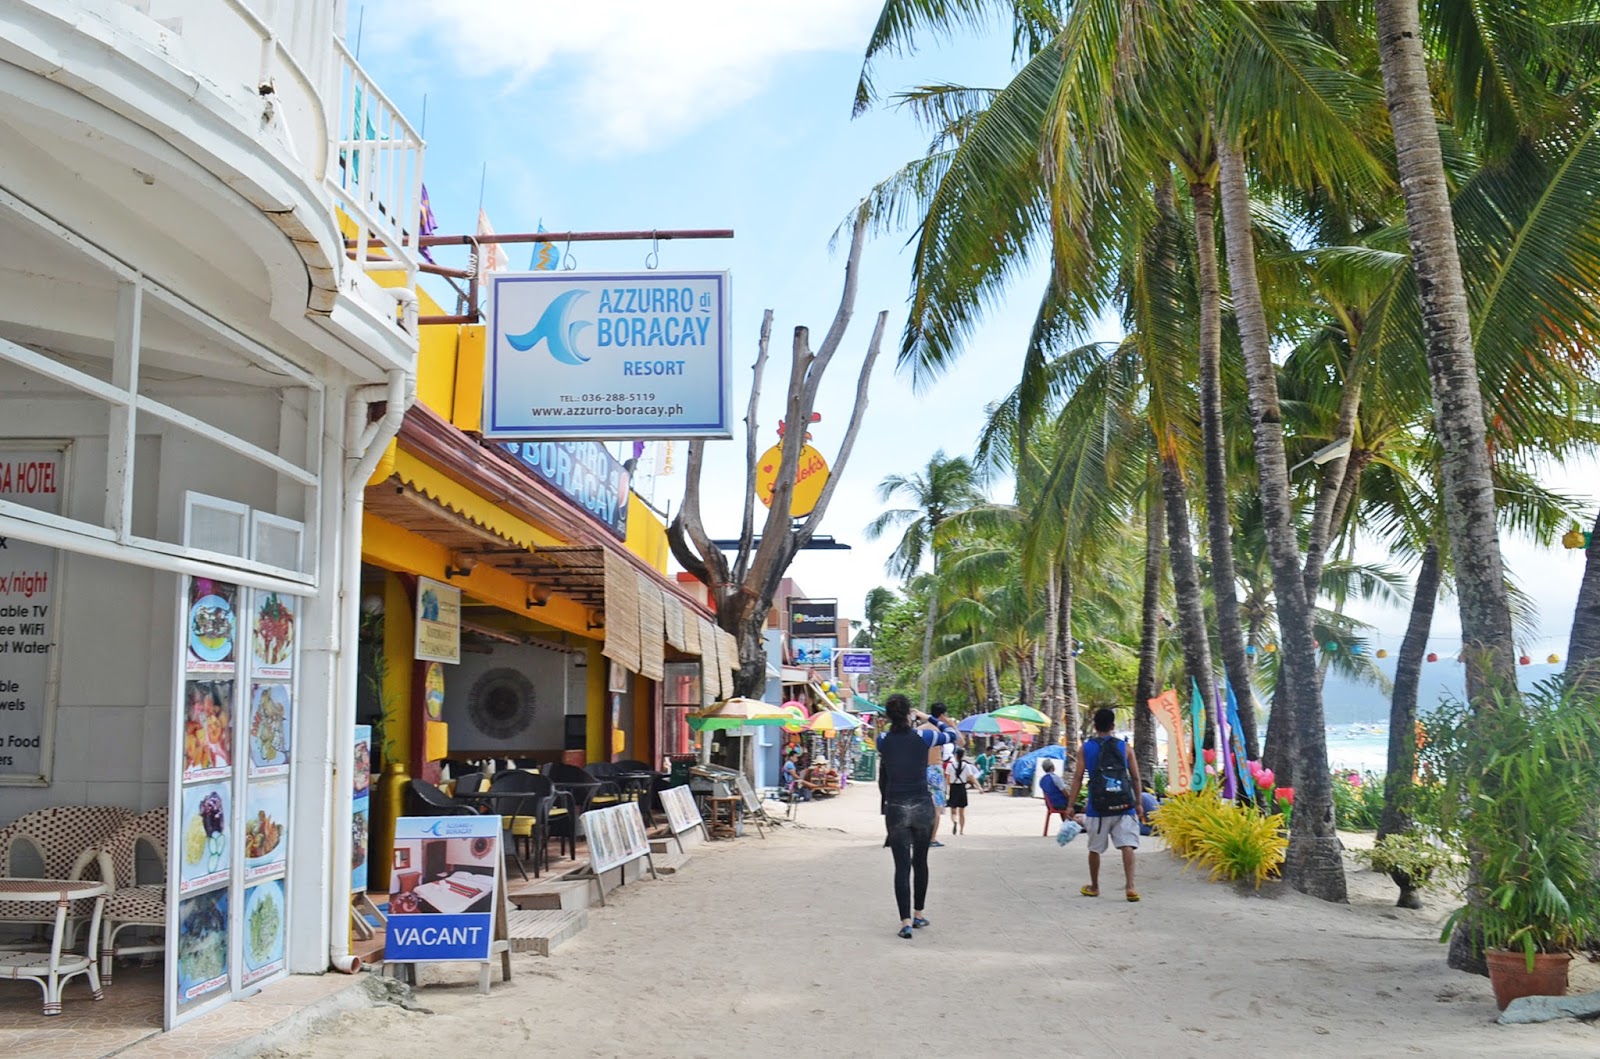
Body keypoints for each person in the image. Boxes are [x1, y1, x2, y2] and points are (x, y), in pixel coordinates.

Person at [877, 693, 958, 939]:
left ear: (888, 715)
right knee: (920, 862)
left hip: (896, 808)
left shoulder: (882, 740)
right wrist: (929, 717)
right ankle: (919, 914)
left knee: (901, 867)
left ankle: (905, 923)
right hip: (922, 806)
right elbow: (952, 734)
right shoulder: (924, 737)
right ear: (909, 713)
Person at [1066, 708, 1147, 902]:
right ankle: (1130, 887)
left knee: (1095, 848)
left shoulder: (1086, 748)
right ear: (1113, 725)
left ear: (1095, 726)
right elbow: (1135, 778)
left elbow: (1077, 778)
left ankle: (1094, 886)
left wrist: (1070, 805)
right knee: (1127, 845)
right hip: (1124, 805)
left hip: (1098, 807)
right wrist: (1138, 803)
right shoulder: (1125, 747)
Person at [944, 748, 981, 835]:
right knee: (962, 812)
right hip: (962, 788)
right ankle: (961, 830)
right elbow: (972, 777)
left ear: (955, 755)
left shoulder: (950, 766)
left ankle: (954, 821)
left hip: (953, 788)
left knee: (953, 811)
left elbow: (947, 779)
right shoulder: (966, 766)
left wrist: (946, 789)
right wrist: (979, 787)